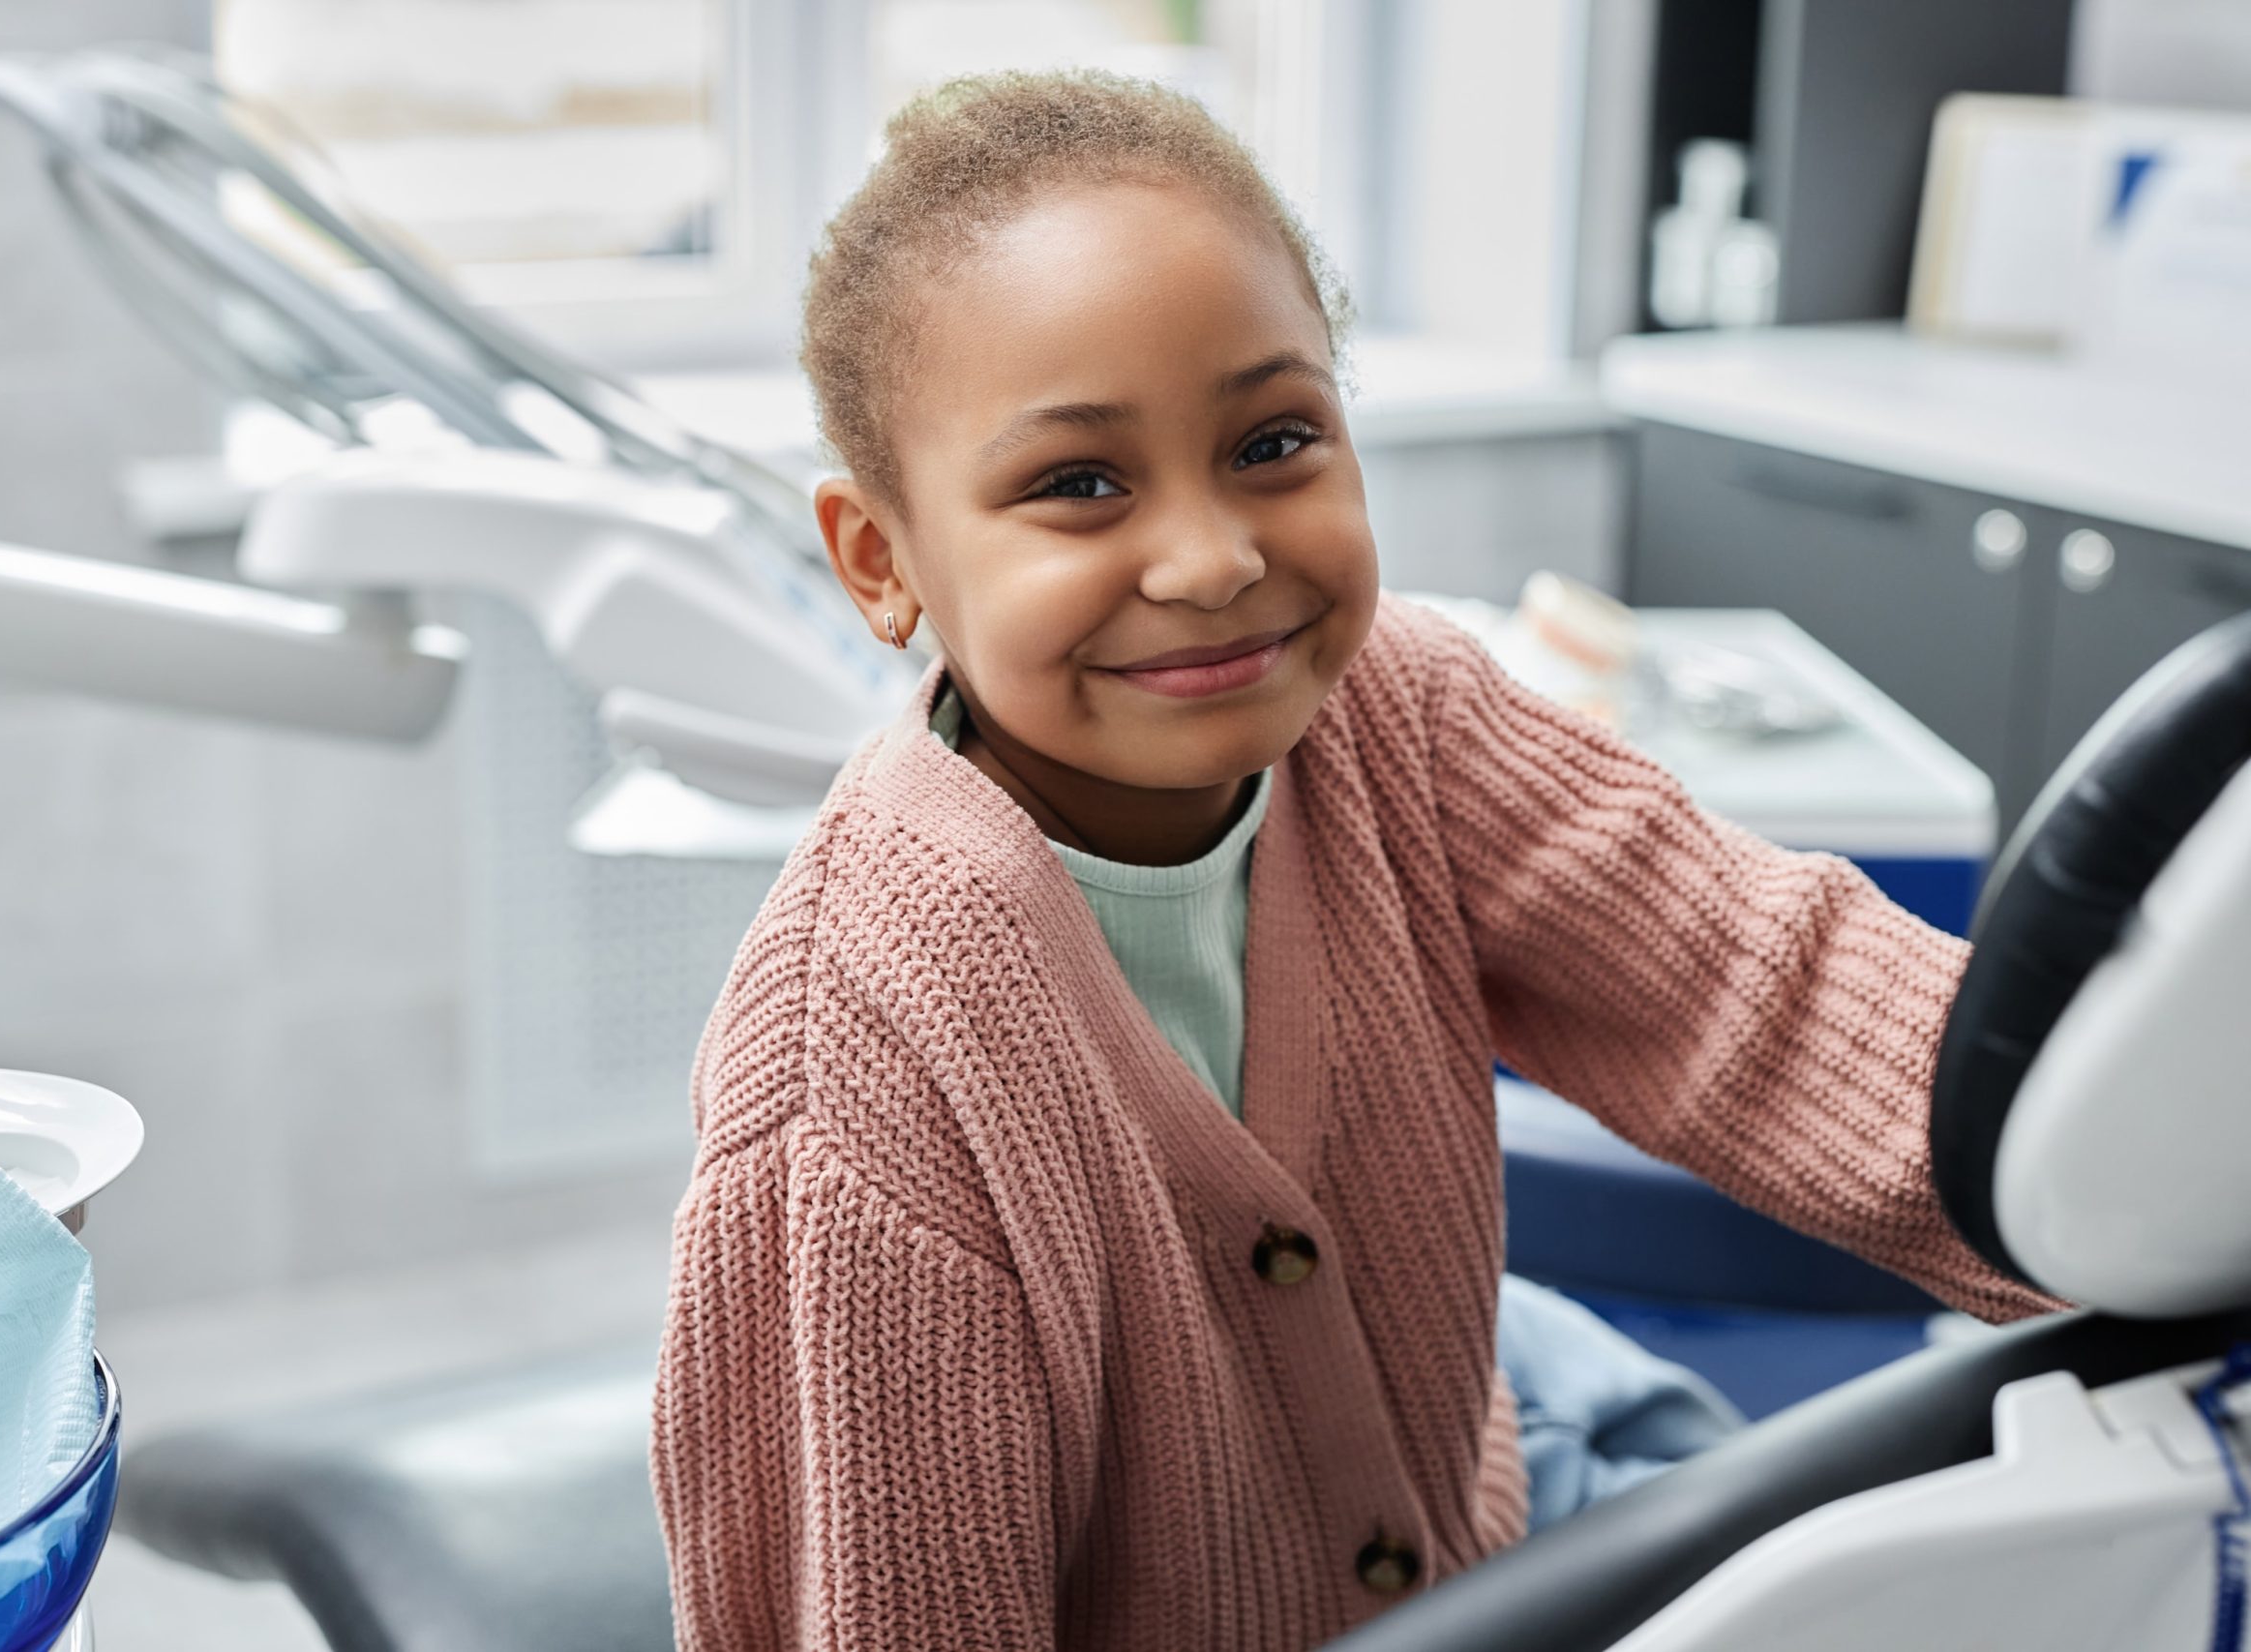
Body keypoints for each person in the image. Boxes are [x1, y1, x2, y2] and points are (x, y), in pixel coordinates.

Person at [647, 70, 2055, 1652]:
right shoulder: (857, 1095)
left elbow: (1773, 991)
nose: (1215, 558)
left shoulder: (1404, 713)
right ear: (882, 560)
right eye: (1080, 484)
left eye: (1273, 440)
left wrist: (2108, 1157)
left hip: (1502, 1506)